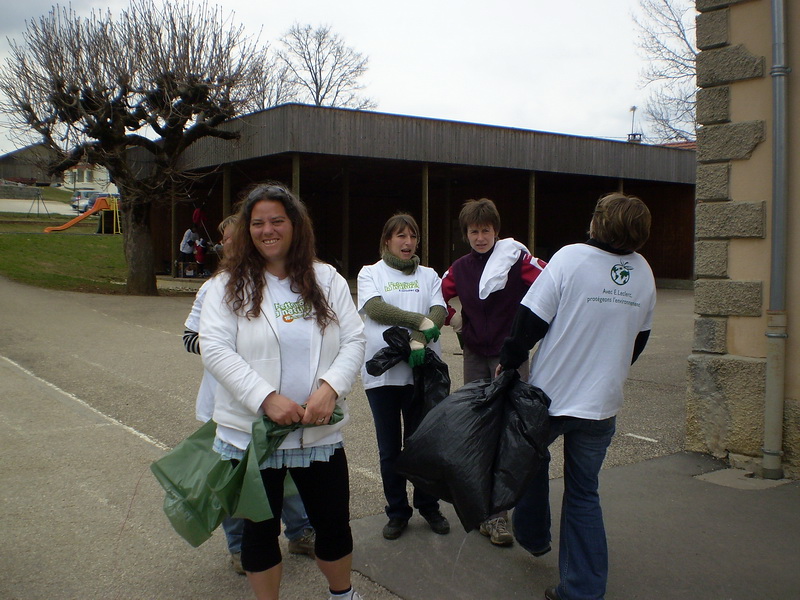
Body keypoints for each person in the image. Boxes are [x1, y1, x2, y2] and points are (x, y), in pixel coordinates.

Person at [199, 183, 366, 600]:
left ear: (295, 225)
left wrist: (330, 389)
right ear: (246, 228)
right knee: (259, 533)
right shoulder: (227, 286)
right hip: (251, 436)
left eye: (277, 220)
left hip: (318, 432)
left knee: (333, 525)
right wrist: (265, 398)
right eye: (257, 223)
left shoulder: (326, 279)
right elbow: (215, 348)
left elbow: (355, 340)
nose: (267, 230)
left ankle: (342, 595)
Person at [496, 192, 656, 600]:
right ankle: (582, 589)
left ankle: (532, 534)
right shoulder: (644, 273)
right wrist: (607, 369)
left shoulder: (570, 258)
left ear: (600, 223)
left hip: (549, 397)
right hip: (601, 404)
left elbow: (528, 321)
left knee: (528, 463)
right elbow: (638, 340)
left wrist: (509, 362)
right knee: (584, 493)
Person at [182, 215, 316, 576]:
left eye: (236, 238)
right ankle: (240, 547)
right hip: (229, 403)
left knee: (287, 470)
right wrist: (230, 352)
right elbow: (190, 338)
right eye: (226, 239)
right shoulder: (213, 288)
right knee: (239, 483)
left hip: (279, 401)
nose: (231, 244)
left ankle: (301, 532)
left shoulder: (280, 283)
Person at [441, 197, 546, 546]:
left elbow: (550, 283)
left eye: (486, 230)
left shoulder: (517, 261)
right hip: (474, 354)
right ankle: (488, 513)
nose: (480, 237)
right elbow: (435, 296)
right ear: (466, 234)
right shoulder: (460, 268)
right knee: (480, 429)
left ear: (496, 232)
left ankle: (505, 512)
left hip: (510, 355)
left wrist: (529, 331)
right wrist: (455, 322)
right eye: (474, 231)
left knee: (511, 431)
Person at [357, 213, 451, 541]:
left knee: (422, 444)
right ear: (387, 241)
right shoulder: (370, 273)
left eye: (412, 236)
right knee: (389, 449)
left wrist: (418, 339)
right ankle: (397, 511)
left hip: (421, 372)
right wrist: (419, 322)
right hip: (383, 378)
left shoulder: (429, 275)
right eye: (400, 236)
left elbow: (439, 310)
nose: (407, 242)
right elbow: (375, 308)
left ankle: (428, 505)